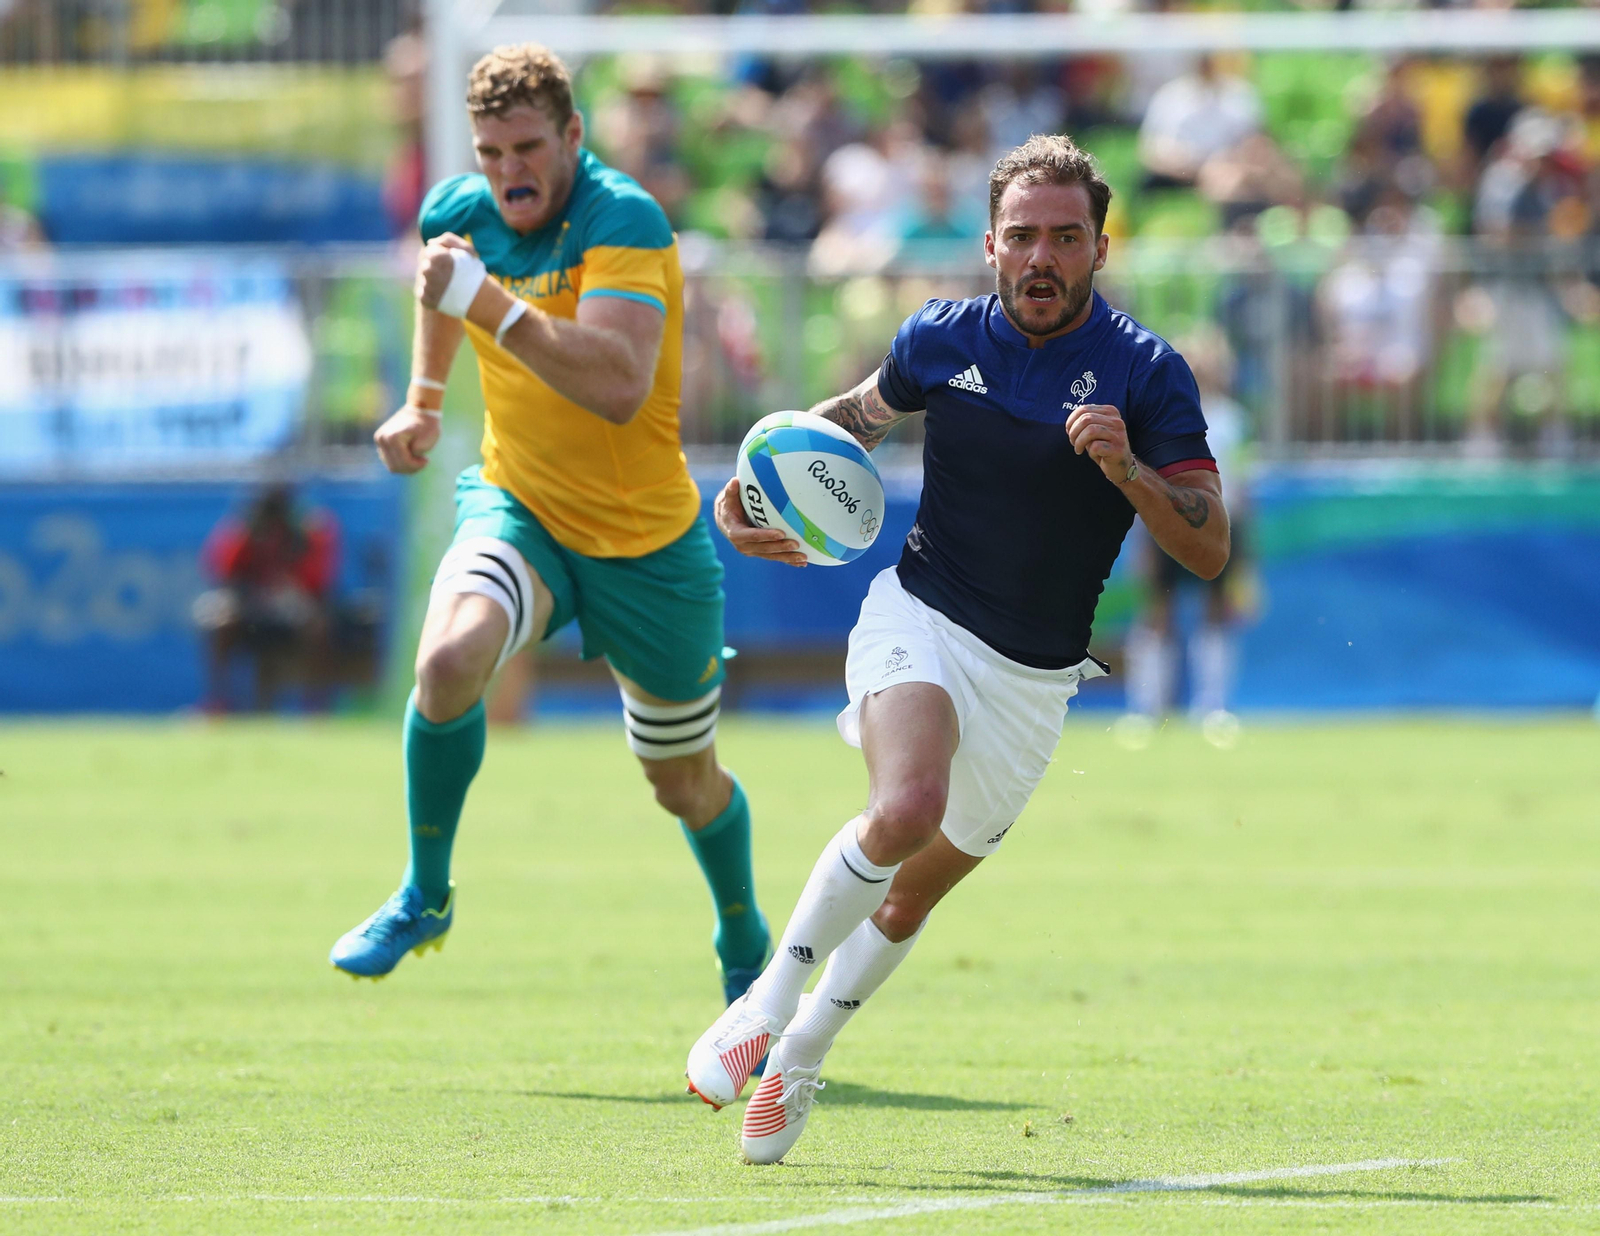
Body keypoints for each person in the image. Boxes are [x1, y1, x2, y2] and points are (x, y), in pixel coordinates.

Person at [686, 135, 1230, 1163]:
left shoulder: (1147, 373)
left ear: (1099, 248)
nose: (1041, 257)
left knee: (910, 892)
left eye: (1064, 238)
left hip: (1035, 679)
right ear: (987, 242)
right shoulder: (940, 338)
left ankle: (801, 1054)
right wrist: (756, 487)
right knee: (904, 807)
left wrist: (1128, 473)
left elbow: (1206, 544)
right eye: (1022, 236)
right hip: (919, 613)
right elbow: (842, 426)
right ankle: (765, 998)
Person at [328, 44, 771, 1012]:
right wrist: (423, 400)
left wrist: (489, 302)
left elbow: (616, 385)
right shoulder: (458, 210)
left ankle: (743, 937)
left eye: (526, 147)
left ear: (573, 135)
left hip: (646, 541)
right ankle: (425, 894)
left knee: (681, 784)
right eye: (490, 152)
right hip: (520, 505)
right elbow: (437, 285)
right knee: (446, 664)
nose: (506, 171)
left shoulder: (625, 219)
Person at [194, 484, 338, 713]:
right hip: (253, 607)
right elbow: (223, 574)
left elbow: (318, 582)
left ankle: (315, 708)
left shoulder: (307, 531)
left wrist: (287, 587)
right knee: (219, 621)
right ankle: (219, 703)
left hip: (292, 606)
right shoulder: (244, 531)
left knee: (318, 626)